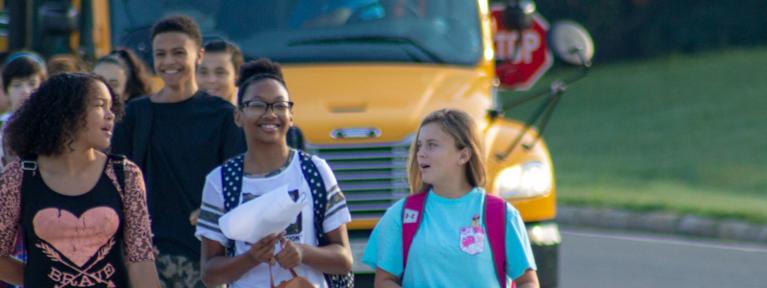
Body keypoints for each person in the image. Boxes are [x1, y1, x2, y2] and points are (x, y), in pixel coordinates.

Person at [111, 15, 245, 287]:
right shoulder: (135, 115)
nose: (169, 62)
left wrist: (212, 212)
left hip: (206, 257)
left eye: (178, 53)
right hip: (148, 258)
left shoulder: (223, 117)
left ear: (199, 56)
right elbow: (116, 185)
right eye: (161, 54)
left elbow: (238, 185)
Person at [195, 58, 353, 287]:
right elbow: (210, 274)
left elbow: (344, 259)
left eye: (280, 105)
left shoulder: (315, 171)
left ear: (291, 116)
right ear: (238, 116)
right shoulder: (219, 181)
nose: (270, 114)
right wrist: (251, 258)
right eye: (258, 105)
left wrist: (303, 252)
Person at [0, 72, 161, 287]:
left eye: (111, 107)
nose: (110, 115)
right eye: (99, 105)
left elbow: (140, 259)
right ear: (67, 113)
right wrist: (38, 279)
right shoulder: (19, 176)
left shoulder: (125, 174)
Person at [362, 109, 540, 288]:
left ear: (463, 155)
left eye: (432, 145)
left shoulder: (502, 214)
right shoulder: (400, 215)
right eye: (419, 146)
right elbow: (384, 281)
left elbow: (527, 282)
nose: (421, 153)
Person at [1, 52, 48, 168]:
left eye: (32, 83)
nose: (25, 91)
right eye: (17, 85)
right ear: (7, 90)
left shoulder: (52, 125)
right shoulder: (2, 125)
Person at [197, 40, 243, 105]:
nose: (211, 80)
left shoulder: (253, 112)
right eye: (203, 72)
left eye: (220, 73)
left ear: (237, 77)